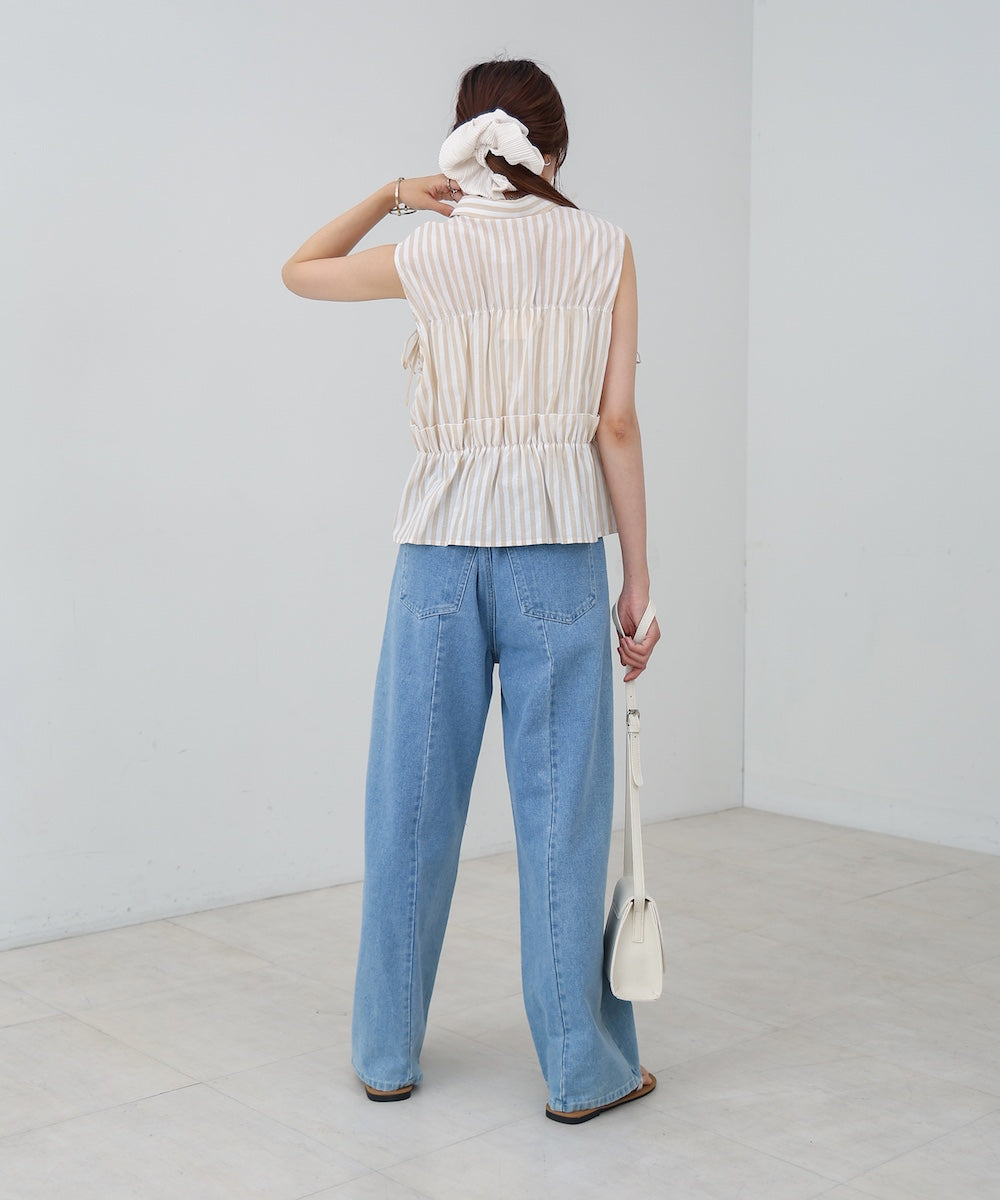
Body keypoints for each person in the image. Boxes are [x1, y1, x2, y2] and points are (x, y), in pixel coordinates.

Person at [282, 58, 660, 1124]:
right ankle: (581, 1073)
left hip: (437, 560)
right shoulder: (605, 246)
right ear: (556, 149)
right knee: (561, 820)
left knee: (409, 808)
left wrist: (394, 194)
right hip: (558, 558)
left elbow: (301, 270)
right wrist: (639, 578)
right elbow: (615, 422)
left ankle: (385, 1057)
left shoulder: (432, 248)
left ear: (468, 140)